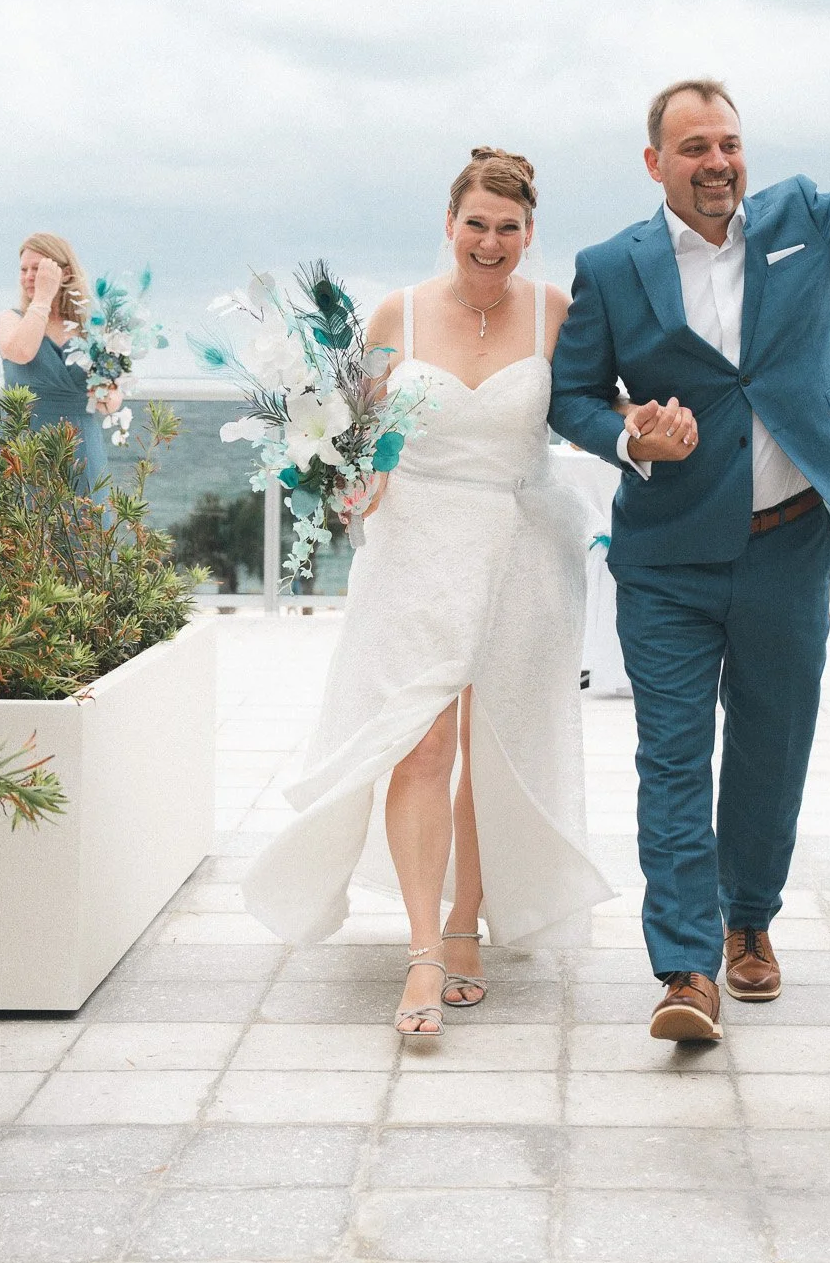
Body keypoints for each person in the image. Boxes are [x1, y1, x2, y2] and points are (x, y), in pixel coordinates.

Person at [550, 21, 830, 1041]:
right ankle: (682, 968)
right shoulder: (611, 266)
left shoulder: (804, 219)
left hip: (790, 542)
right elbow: (570, 392)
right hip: (664, 556)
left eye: (728, 143)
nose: (717, 161)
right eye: (695, 146)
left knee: (770, 747)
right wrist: (629, 434)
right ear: (655, 160)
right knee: (670, 757)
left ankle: (749, 917)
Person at [243, 148, 612, 1038]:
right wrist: (343, 481)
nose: (490, 242)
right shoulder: (394, 314)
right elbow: (355, 436)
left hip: (524, 547)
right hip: (415, 550)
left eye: (509, 228)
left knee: (495, 740)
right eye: (476, 224)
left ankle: (464, 924)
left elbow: (596, 407)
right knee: (419, 744)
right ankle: (419, 949)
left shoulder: (557, 314)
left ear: (529, 234)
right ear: (450, 225)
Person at [0, 233, 121, 490]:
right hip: (27, 451)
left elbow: (111, 403)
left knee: (86, 527)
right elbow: (22, 352)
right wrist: (42, 299)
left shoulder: (91, 329)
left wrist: (106, 395)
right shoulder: (10, 320)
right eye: (24, 269)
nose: (29, 276)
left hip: (82, 451)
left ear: (64, 274)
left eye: (38, 269)